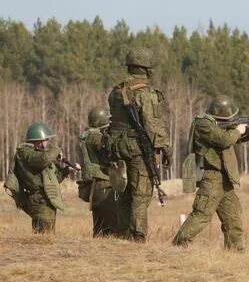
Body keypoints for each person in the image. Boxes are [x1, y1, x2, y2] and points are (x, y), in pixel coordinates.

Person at [173, 95, 249, 250]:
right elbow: (224, 139)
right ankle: (179, 245)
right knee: (202, 215)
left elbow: (235, 138)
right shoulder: (204, 125)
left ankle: (235, 251)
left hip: (224, 179)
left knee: (233, 217)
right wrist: (239, 130)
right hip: (211, 177)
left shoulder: (218, 125)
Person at [106, 46, 171, 242]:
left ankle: (123, 233)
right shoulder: (146, 93)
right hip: (137, 147)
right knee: (141, 193)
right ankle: (137, 236)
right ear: (147, 69)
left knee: (124, 192)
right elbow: (153, 125)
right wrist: (165, 148)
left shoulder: (116, 91)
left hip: (117, 145)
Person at [13, 122, 79, 233]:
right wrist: (56, 150)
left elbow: (52, 179)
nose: (48, 142)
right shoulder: (25, 153)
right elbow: (43, 160)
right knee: (42, 239)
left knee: (47, 237)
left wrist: (67, 171)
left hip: (47, 200)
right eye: (47, 139)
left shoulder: (39, 154)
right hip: (39, 200)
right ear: (39, 141)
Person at [77, 106, 119, 237]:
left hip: (94, 187)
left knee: (99, 227)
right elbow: (111, 154)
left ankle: (97, 252)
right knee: (111, 227)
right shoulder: (97, 139)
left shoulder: (85, 137)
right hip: (104, 186)